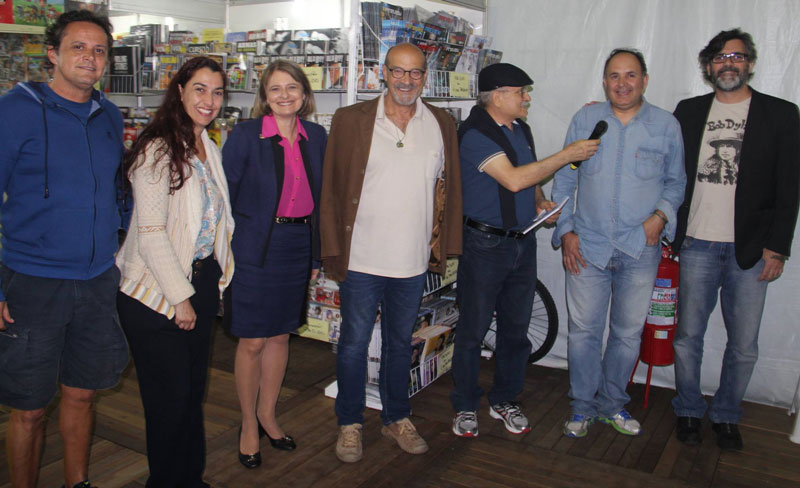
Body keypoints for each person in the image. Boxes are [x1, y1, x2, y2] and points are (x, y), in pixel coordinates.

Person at [0, 10, 127, 488]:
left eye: (98, 50)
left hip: (97, 281)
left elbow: (116, 192)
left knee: (82, 394)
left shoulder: (108, 115)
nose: (89, 58)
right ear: (52, 54)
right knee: (29, 408)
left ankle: (78, 481)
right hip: (34, 281)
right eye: (78, 47)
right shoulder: (14, 111)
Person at [320, 42, 462, 463]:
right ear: (383, 73)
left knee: (401, 344)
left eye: (415, 73)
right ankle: (349, 422)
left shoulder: (441, 123)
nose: (406, 80)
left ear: (425, 76)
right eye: (398, 72)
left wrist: (446, 245)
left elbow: (450, 191)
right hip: (361, 259)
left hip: (412, 261)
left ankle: (396, 417)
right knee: (354, 344)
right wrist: (330, 248)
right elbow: (330, 189)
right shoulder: (350, 120)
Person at [449, 63, 599, 437]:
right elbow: (513, 179)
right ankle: (465, 405)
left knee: (515, 330)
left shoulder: (520, 129)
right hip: (483, 246)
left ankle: (505, 399)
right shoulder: (473, 134)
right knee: (473, 328)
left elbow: (527, 178)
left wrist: (541, 203)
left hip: (521, 243)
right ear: (498, 96)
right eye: (521, 92)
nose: (527, 98)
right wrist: (567, 155)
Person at [671, 29, 800, 451]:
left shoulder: (780, 114)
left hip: (752, 249)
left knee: (743, 346)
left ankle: (726, 414)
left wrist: (778, 247)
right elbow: (664, 165)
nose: (729, 63)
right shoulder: (687, 112)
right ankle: (688, 409)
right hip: (697, 245)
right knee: (688, 336)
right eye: (721, 57)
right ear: (709, 66)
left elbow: (789, 187)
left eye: (737, 57)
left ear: (749, 63)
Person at [552, 49, 686, 438]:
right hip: (587, 247)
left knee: (627, 334)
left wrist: (658, 219)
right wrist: (567, 230)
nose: (622, 83)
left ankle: (612, 404)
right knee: (583, 333)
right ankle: (581, 408)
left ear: (645, 79)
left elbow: (676, 183)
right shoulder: (585, 119)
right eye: (614, 76)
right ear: (605, 81)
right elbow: (564, 178)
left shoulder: (665, 125)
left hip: (639, 248)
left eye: (630, 75)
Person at [115, 56, 234, 487]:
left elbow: (215, 221)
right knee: (169, 401)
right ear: (179, 90)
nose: (209, 100)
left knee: (191, 395)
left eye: (217, 92)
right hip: (155, 292)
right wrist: (180, 297)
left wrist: (215, 281)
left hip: (196, 282)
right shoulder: (158, 148)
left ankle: (190, 478)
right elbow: (150, 233)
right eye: (200, 89)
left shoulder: (208, 146)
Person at [222, 59, 327, 468]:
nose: (285, 95)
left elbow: (323, 200)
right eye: (276, 89)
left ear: (304, 95)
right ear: (264, 97)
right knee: (252, 340)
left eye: (292, 88)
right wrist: (225, 250)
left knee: (281, 335)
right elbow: (226, 195)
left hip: (297, 244)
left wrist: (316, 253)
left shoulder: (316, 136)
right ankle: (248, 423)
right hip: (253, 246)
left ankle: (268, 414)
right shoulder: (246, 135)